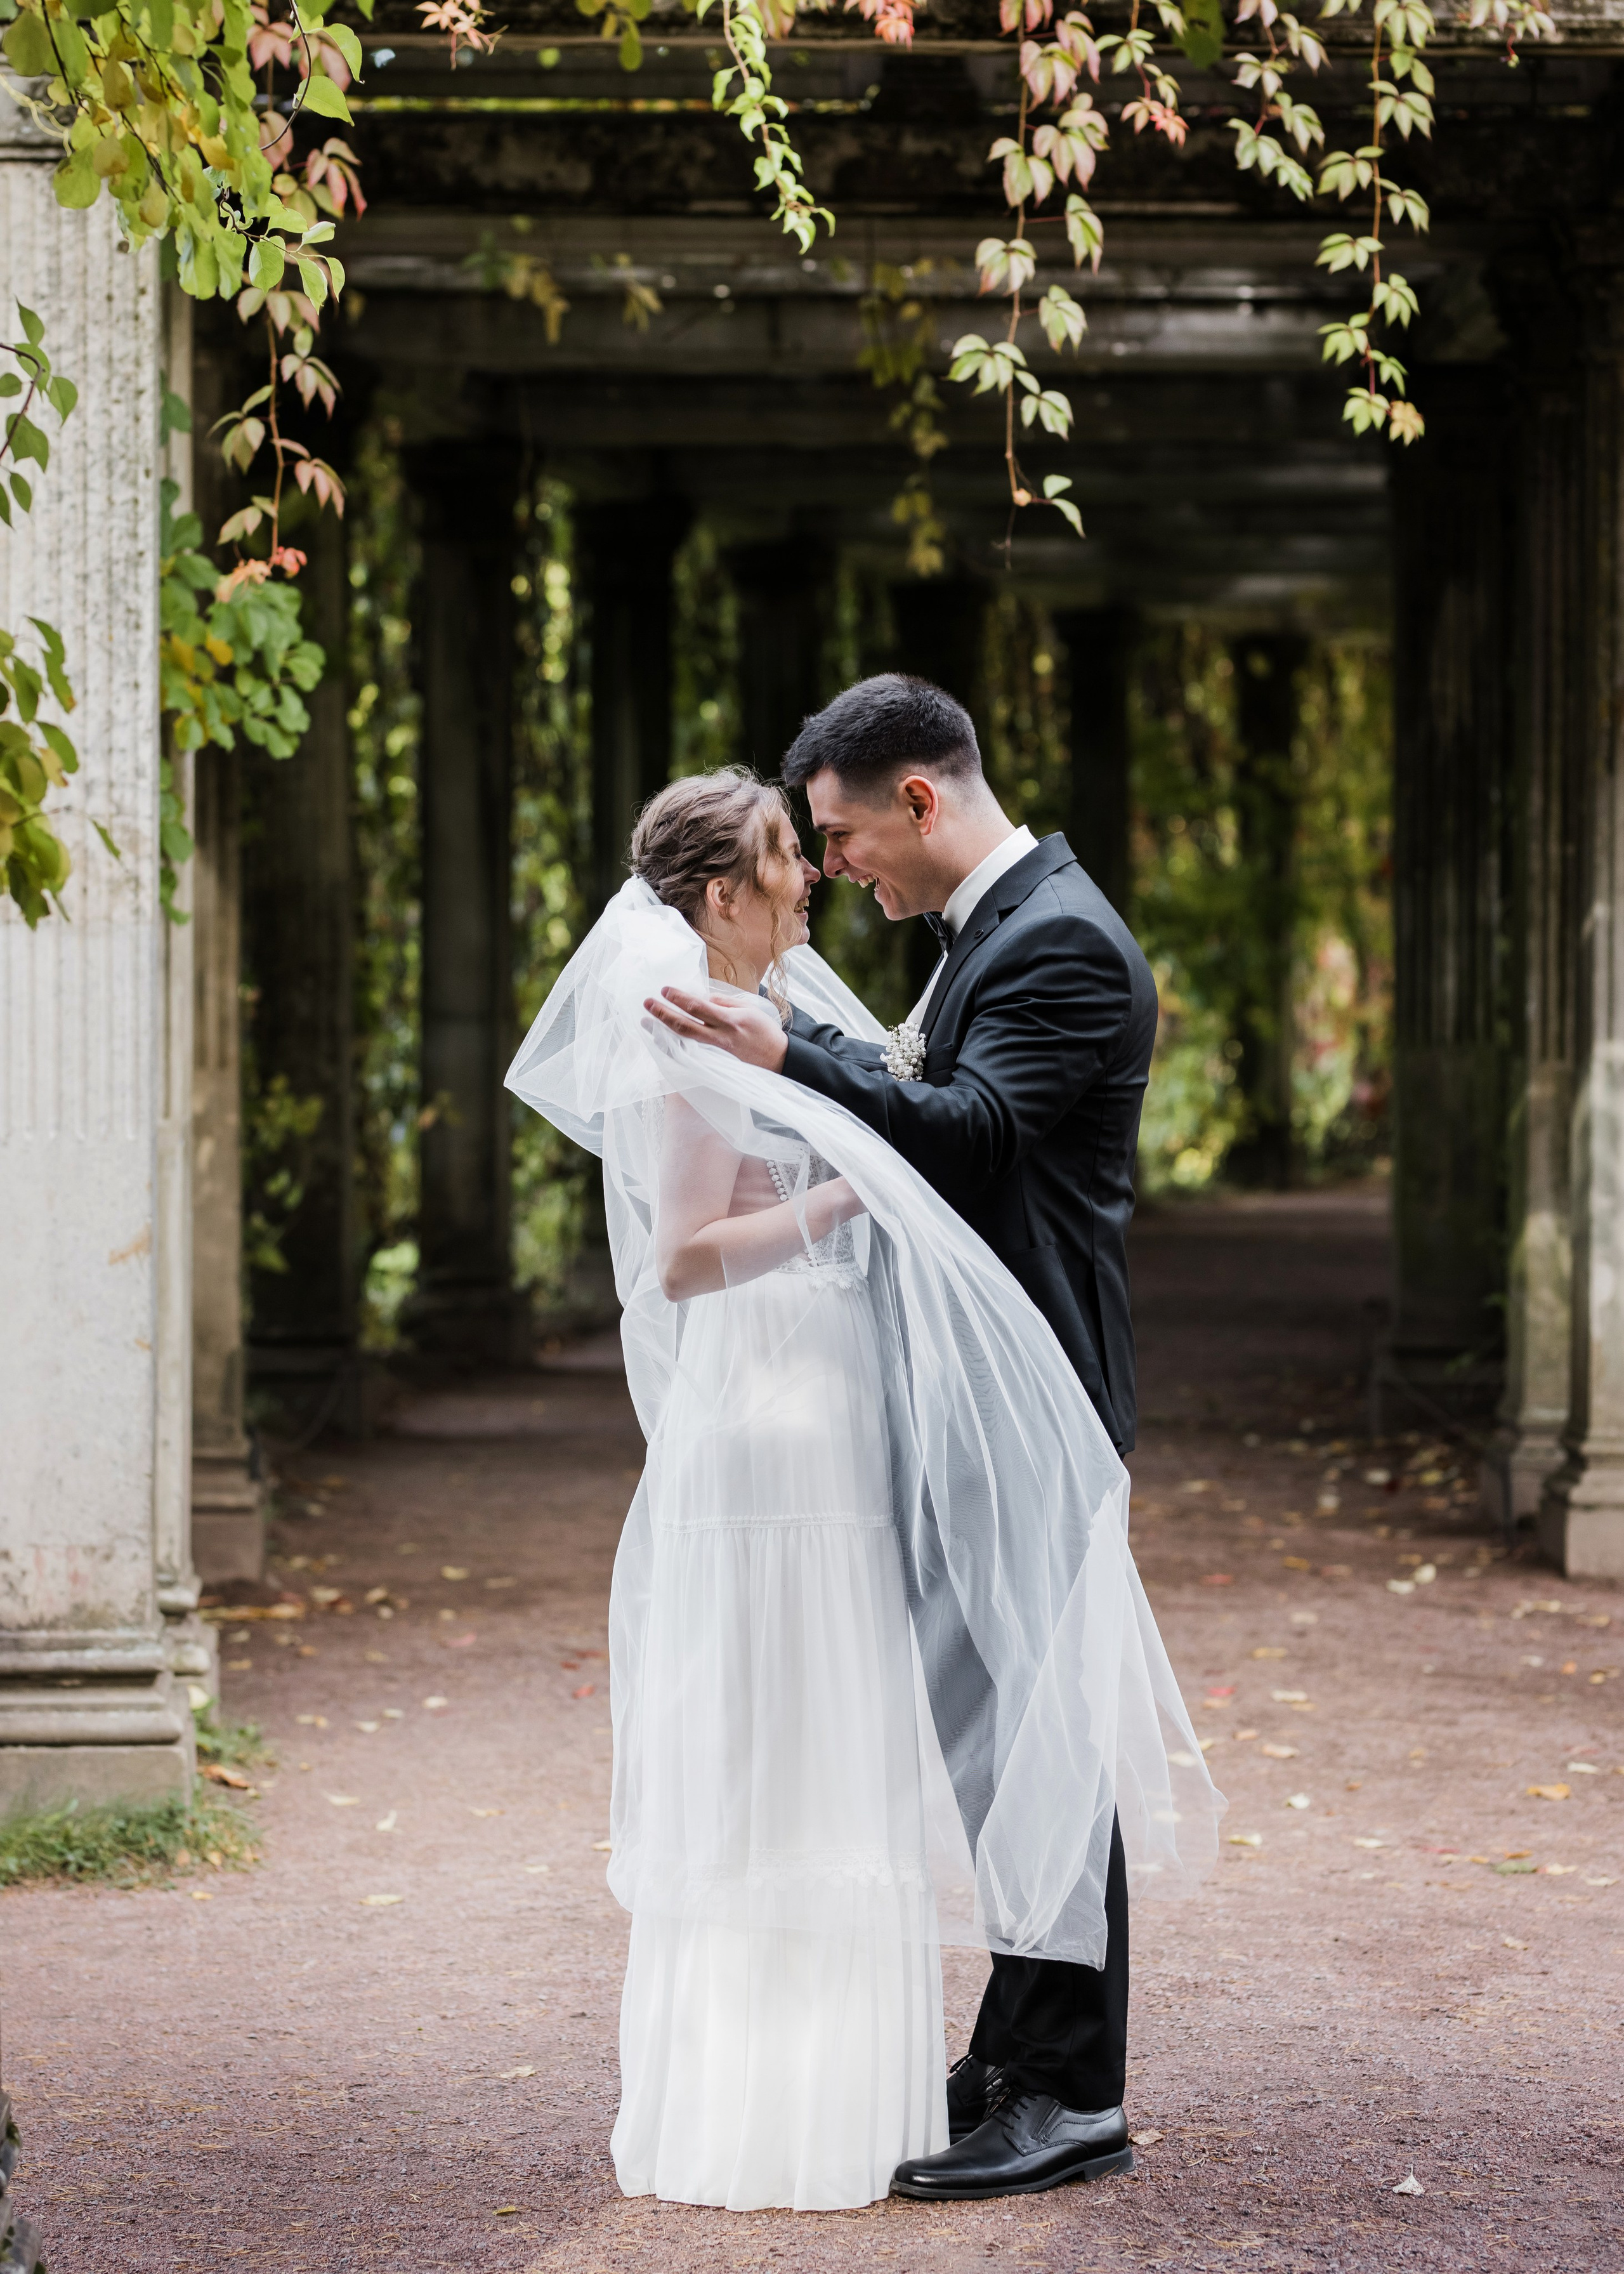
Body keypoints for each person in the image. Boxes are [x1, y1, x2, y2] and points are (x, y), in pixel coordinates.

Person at [510, 759, 1219, 2217]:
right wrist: (853, 1182)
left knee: (1015, 1734)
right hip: (796, 1420)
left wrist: (821, 1102)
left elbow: (959, 1127)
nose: (824, 871)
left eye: (831, 837)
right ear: (724, 892)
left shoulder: (1038, 938)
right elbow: (697, 1244)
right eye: (797, 848)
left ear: (915, 796)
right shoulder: (728, 1011)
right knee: (906, 1739)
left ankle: (1061, 2084)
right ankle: (1000, 2061)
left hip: (957, 1395)